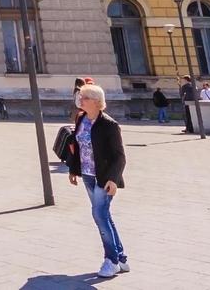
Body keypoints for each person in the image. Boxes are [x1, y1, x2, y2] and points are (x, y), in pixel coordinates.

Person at [66, 83, 129, 278]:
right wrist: (73, 170)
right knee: (104, 215)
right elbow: (79, 148)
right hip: (87, 175)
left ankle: (110, 260)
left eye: (84, 97)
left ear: (95, 101)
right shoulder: (82, 119)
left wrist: (113, 179)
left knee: (99, 215)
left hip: (104, 178)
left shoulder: (109, 125)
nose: (80, 100)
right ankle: (121, 259)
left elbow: (119, 156)